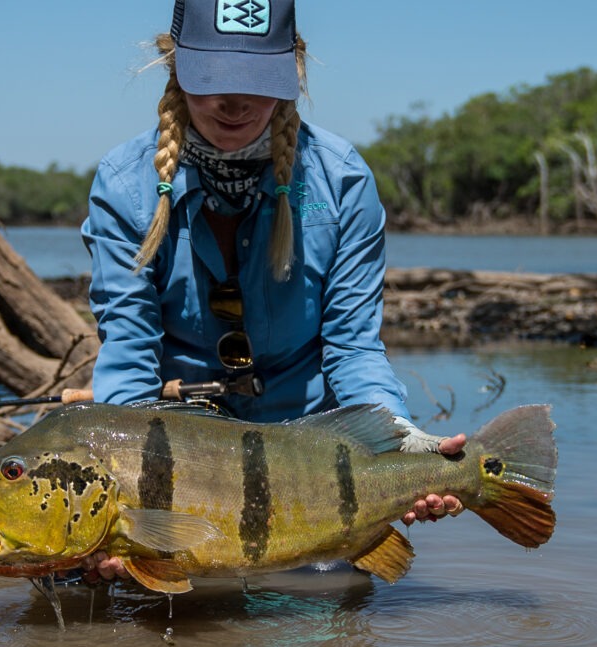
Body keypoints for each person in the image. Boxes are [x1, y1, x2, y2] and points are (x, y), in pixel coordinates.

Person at [80, 0, 464, 581]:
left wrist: (402, 445)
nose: (233, 103)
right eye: (212, 81)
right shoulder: (122, 184)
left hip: (311, 456)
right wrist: (122, 502)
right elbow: (130, 357)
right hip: (179, 458)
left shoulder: (342, 181)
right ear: (174, 68)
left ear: (292, 75)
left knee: (318, 634)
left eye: (255, 83)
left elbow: (353, 348)